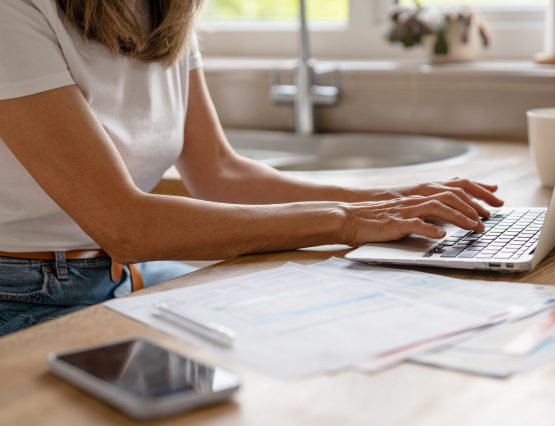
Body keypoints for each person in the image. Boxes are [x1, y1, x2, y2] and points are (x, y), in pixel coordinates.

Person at [0, 0, 503, 335]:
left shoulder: (164, 10)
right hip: (25, 294)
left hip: (123, 276)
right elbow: (128, 225)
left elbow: (220, 172)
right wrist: (344, 221)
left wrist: (390, 200)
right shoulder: (16, 13)